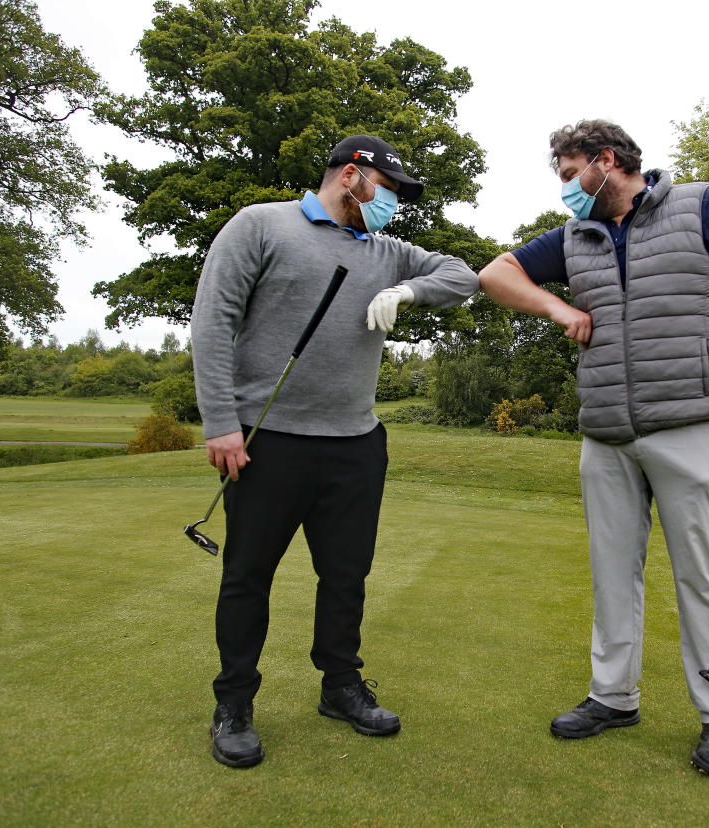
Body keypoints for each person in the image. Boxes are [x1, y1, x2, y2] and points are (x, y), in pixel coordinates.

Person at [478, 119, 709, 778]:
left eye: (569, 176)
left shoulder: (703, 206)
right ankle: (614, 698)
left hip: (688, 427)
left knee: (699, 578)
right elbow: (495, 274)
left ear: (604, 161)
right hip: (607, 435)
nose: (565, 192)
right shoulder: (575, 236)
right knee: (611, 574)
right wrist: (557, 311)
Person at [191, 134, 478, 768]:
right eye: (389, 192)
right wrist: (221, 422)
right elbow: (212, 321)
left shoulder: (385, 251)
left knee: (346, 578)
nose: (392, 207)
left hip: (355, 443)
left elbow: (463, 276)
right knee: (246, 578)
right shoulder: (261, 225)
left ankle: (340, 686)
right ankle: (234, 702)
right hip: (268, 441)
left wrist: (409, 291)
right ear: (353, 176)